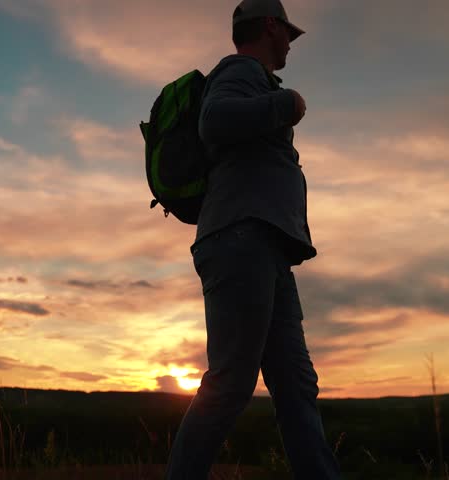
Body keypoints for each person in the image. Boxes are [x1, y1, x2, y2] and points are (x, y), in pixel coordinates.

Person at [165, 0, 343, 478]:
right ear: (270, 26)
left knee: (296, 385)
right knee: (230, 385)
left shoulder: (250, 77)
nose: (290, 44)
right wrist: (287, 104)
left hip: (265, 246)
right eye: (288, 33)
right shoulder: (241, 71)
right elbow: (215, 120)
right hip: (242, 240)